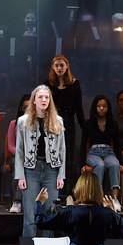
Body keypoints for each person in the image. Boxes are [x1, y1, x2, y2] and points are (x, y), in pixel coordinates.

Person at [16, 84, 66, 245]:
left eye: (47, 97)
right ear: (34, 100)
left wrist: (61, 174)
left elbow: (62, 150)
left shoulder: (57, 120)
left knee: (49, 215)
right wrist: (20, 175)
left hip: (51, 170)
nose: (44, 100)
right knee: (29, 216)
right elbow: (19, 149)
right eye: (41, 97)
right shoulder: (23, 121)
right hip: (31, 168)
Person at [47, 55, 84, 196]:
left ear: (67, 66)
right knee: (52, 156)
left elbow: (79, 108)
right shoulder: (48, 84)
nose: (59, 68)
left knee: (68, 158)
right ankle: (52, 192)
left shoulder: (75, 84)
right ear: (53, 67)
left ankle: (68, 192)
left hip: (68, 124)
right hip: (52, 124)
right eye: (56, 65)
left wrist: (84, 126)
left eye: (62, 65)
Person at [81, 95, 122, 211]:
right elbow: (83, 144)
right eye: (99, 106)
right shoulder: (89, 123)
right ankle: (97, 198)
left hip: (108, 151)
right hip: (94, 152)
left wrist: (120, 161)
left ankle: (114, 199)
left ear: (108, 108)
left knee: (114, 164)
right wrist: (82, 164)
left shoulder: (113, 123)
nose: (101, 108)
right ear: (95, 107)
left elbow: (117, 145)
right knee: (100, 165)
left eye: (104, 106)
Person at [6, 94, 30, 213]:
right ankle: (16, 202)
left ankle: (29, 201)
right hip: (17, 155)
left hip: (32, 156)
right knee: (18, 164)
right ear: (21, 108)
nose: (28, 110)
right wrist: (22, 154)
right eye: (26, 107)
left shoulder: (38, 124)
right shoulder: (13, 124)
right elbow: (11, 146)